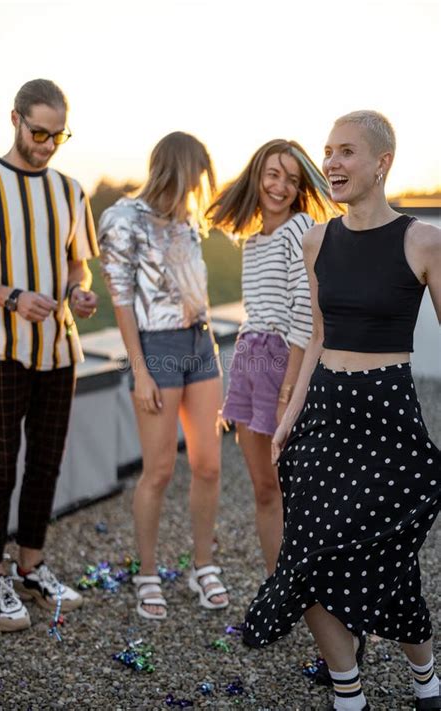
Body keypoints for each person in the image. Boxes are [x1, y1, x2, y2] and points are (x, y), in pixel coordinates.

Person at [243, 111, 441, 711]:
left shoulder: (422, 239)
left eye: (347, 152)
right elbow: (320, 332)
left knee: (386, 555)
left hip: (388, 413)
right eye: (328, 151)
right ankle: (347, 687)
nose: (331, 162)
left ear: (382, 163)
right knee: (306, 554)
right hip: (324, 411)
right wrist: (289, 414)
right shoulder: (316, 239)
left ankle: (424, 670)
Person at [0, 79, 99, 632]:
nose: (46, 144)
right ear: (15, 119)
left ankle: (32, 567)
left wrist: (78, 292)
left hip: (60, 349)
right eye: (38, 131)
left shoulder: (72, 191)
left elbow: (78, 264)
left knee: (46, 463)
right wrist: (13, 298)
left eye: (57, 135)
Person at [99, 131, 228, 620]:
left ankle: (203, 565)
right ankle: (148, 573)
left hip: (201, 344)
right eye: (195, 175)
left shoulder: (187, 220)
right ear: (176, 169)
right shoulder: (122, 218)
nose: (198, 186)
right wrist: (140, 371)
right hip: (156, 347)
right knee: (158, 470)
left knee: (209, 465)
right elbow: (121, 300)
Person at [208, 139, 339, 574]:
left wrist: (287, 393)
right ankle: (277, 589)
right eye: (273, 174)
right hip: (250, 361)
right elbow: (257, 316)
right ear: (257, 176)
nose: (280, 186)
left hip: (286, 365)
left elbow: (306, 317)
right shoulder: (253, 242)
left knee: (299, 491)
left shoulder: (299, 229)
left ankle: (316, 592)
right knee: (264, 489)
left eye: (292, 179)